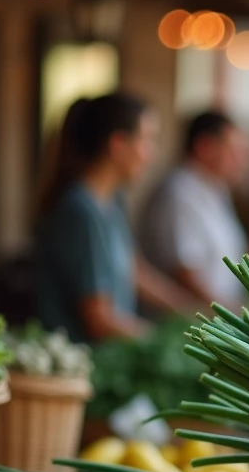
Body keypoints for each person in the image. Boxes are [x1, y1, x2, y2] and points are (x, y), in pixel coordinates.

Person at [33, 93, 197, 343]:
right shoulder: (80, 212)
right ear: (118, 145)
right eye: (147, 140)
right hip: (81, 370)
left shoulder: (111, 201)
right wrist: (168, 342)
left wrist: (193, 312)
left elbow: (135, 270)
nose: (151, 154)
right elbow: (99, 319)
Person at [140, 111, 248, 306]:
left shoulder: (216, 189)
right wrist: (226, 311)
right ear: (204, 147)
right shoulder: (179, 193)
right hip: (192, 320)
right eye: (232, 151)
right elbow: (184, 270)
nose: (239, 160)